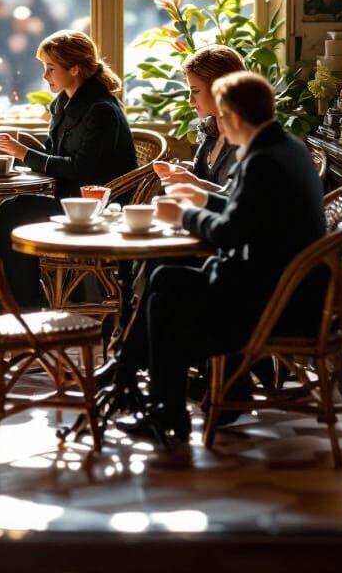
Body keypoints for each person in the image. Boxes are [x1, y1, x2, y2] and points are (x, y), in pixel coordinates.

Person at [122, 71, 326, 447]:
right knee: (164, 276)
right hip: (290, 288)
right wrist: (201, 199)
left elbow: (231, 232)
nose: (218, 123)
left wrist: (181, 215)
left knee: (165, 300)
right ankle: (141, 388)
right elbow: (249, 213)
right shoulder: (287, 147)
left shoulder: (261, 161)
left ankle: (157, 403)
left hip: (275, 303)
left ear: (231, 117)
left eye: (220, 117)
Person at [0, 30, 138, 308]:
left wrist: (24, 154)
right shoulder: (63, 103)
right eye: (43, 68)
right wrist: (22, 155)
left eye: (51, 68)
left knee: (14, 211)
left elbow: (80, 168)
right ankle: (23, 295)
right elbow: (54, 156)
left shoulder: (101, 109)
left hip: (97, 208)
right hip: (70, 198)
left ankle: (26, 300)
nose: (45, 76)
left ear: (75, 69)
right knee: (13, 208)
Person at [154, 45, 245, 194]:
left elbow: (241, 201)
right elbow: (206, 179)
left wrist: (194, 183)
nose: (190, 101)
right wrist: (187, 170)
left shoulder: (250, 137)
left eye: (195, 91)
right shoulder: (209, 127)